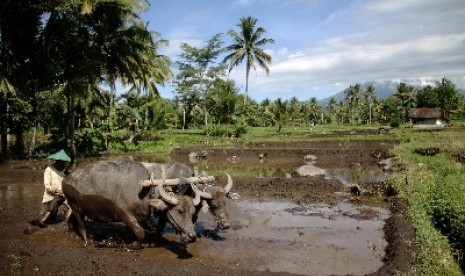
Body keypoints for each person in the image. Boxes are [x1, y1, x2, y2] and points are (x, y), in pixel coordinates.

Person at [30, 149, 71, 228]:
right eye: (62, 162)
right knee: (49, 216)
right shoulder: (49, 170)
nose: (63, 164)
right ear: (57, 161)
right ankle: (39, 221)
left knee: (67, 206)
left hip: (62, 195)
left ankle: (67, 222)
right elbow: (47, 185)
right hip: (50, 196)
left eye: (64, 162)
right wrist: (55, 190)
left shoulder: (65, 171)